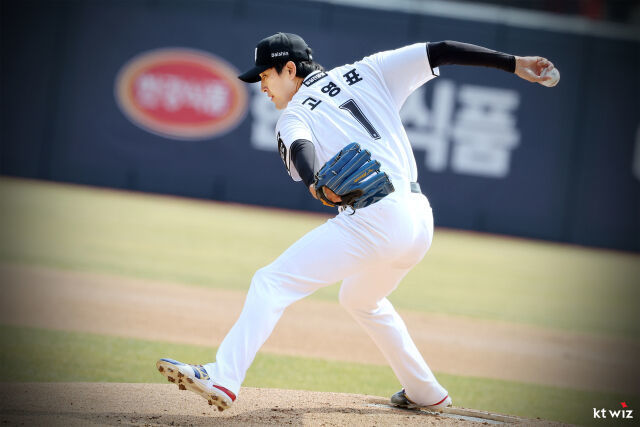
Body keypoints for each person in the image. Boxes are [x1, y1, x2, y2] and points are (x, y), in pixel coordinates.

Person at [156, 33, 556, 412]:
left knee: (271, 281)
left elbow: (301, 147)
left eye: (264, 75)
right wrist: (513, 63)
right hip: (420, 218)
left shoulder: (294, 114)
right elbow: (442, 50)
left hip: (376, 219)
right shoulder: (370, 70)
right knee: (360, 299)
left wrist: (313, 181)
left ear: (290, 70)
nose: (261, 86)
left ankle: (224, 377)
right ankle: (425, 391)